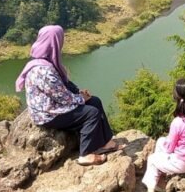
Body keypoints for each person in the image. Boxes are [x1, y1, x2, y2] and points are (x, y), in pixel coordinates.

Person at [16, 25, 116, 166]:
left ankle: (105, 142)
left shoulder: (43, 59)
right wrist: (81, 99)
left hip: (54, 105)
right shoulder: (43, 71)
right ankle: (85, 154)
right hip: (48, 114)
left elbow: (63, 86)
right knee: (91, 113)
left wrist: (78, 93)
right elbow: (62, 98)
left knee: (95, 102)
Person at [134, 78, 185, 192]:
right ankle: (159, 182)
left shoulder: (178, 122)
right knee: (161, 141)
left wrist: (171, 142)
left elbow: (169, 149)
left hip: (183, 163)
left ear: (176, 97)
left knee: (152, 159)